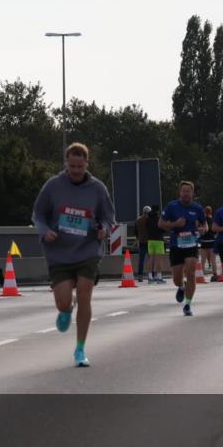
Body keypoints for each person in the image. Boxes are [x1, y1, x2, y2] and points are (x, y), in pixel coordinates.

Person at [32, 142, 115, 367]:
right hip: (59, 252)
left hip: (88, 249)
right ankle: (66, 309)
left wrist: (104, 230)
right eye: (72, 166)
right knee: (63, 301)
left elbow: (109, 216)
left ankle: (80, 349)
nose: (76, 171)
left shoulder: (98, 189)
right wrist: (44, 230)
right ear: (66, 164)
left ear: (86, 164)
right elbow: (38, 214)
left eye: (80, 166)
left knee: (86, 293)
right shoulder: (53, 186)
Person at [160, 181, 208, 317]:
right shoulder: (172, 206)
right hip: (176, 245)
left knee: (191, 273)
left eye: (188, 191)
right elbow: (161, 223)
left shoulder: (197, 208)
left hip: (191, 244)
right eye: (183, 191)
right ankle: (181, 286)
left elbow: (205, 225)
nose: (186, 194)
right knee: (176, 278)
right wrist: (175, 224)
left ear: (192, 193)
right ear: (180, 193)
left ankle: (188, 304)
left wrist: (203, 229)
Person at [145, 203, 167, 283]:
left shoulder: (148, 219)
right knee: (159, 259)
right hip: (158, 240)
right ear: (158, 210)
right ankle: (159, 277)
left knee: (151, 258)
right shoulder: (159, 218)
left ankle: (150, 277)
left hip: (150, 240)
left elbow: (146, 228)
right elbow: (163, 229)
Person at [200, 205, 217, 280]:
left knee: (203, 259)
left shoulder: (202, 221)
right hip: (212, 241)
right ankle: (215, 274)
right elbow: (215, 231)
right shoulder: (213, 220)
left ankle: (201, 275)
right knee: (213, 259)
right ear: (211, 212)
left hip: (203, 241)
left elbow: (201, 231)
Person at [135, 206, 150, 282]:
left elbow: (136, 231)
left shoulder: (138, 220)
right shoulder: (150, 219)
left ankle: (140, 276)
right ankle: (152, 275)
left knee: (141, 260)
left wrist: (138, 237)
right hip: (149, 241)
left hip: (141, 241)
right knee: (151, 259)